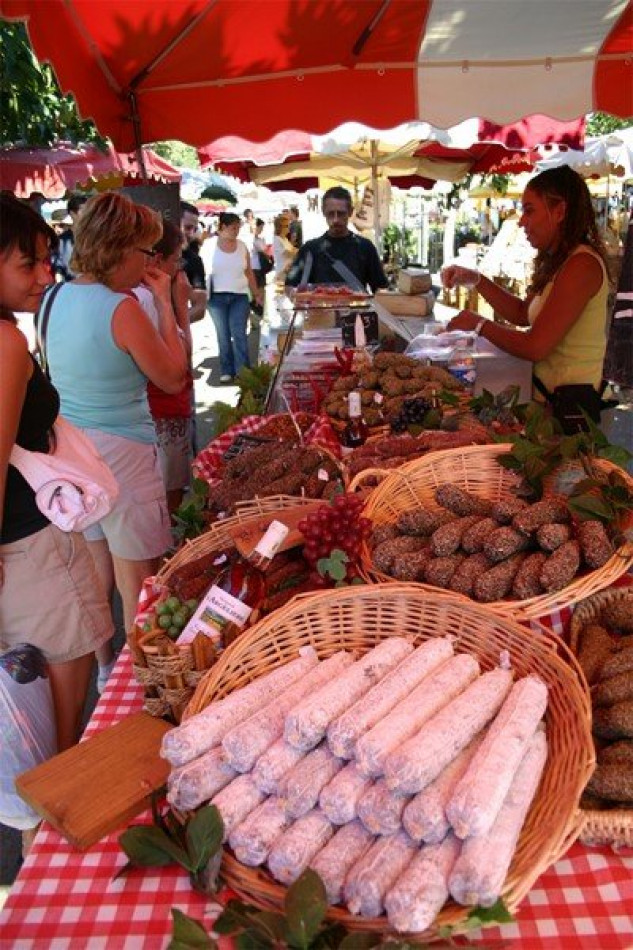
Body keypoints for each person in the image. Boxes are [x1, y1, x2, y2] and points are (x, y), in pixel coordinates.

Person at [42, 193, 188, 647]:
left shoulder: (53, 297)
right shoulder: (121, 308)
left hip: (73, 451)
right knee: (138, 579)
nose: (148, 262)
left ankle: (106, 672)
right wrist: (165, 305)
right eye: (145, 251)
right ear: (121, 249)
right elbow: (172, 377)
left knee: (95, 571)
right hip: (122, 453)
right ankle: (141, 680)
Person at [0, 193, 113, 755]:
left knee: (19, 731)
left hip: (17, 559)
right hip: (29, 557)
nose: (46, 274)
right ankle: (43, 839)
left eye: (48, 259)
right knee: (53, 743)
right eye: (28, 263)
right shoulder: (5, 342)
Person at [443, 166, 610, 428]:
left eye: (529, 210)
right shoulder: (557, 262)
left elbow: (536, 346)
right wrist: (476, 280)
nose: (521, 221)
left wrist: (479, 324)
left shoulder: (582, 265)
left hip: (577, 413)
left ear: (559, 212)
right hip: (551, 405)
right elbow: (522, 313)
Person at [134, 219, 194, 514]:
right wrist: (179, 306)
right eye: (176, 259)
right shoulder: (146, 299)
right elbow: (181, 363)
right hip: (162, 413)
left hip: (160, 414)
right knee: (167, 501)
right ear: (156, 259)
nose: (179, 267)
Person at [286, 186, 388, 292]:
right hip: (318, 307)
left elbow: (381, 289)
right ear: (323, 212)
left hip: (356, 308)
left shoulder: (365, 247)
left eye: (341, 213)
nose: (335, 220)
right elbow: (289, 287)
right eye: (331, 213)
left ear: (350, 212)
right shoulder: (310, 249)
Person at [207, 211, 263, 383]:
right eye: (233, 228)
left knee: (239, 332)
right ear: (222, 227)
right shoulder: (209, 245)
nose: (236, 231)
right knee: (222, 334)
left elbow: (248, 272)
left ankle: (243, 370)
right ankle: (226, 369)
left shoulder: (242, 246)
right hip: (216, 297)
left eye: (238, 228)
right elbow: (202, 271)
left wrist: (256, 293)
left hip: (239, 295)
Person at [51, 193, 88, 281]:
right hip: (70, 287)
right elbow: (58, 270)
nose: (88, 214)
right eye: (84, 211)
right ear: (72, 213)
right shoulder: (61, 241)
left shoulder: (95, 237)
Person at [272, 213, 297, 284]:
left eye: (288, 225)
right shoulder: (277, 240)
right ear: (280, 227)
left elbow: (294, 250)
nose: (288, 228)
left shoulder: (285, 239)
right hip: (282, 273)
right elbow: (289, 254)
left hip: (289, 272)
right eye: (286, 226)